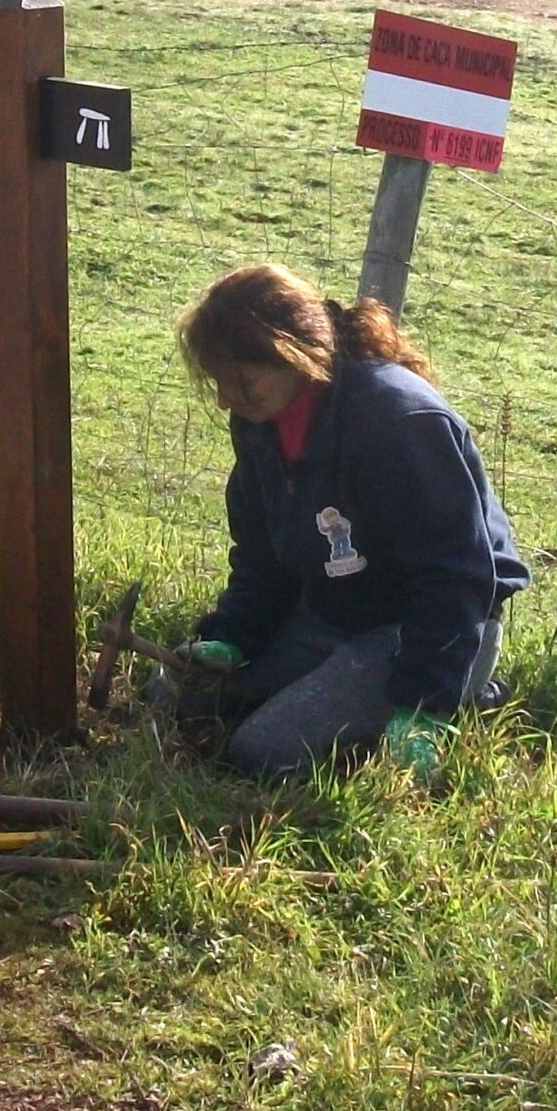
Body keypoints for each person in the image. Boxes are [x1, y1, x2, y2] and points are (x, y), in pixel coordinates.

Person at [164, 263, 529, 780]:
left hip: (421, 624)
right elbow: (263, 554)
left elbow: (456, 577)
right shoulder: (260, 422)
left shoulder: (399, 423)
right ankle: (360, 693)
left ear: (293, 354)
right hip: (336, 609)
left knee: (265, 752)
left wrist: (424, 704)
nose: (227, 399)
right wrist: (233, 635)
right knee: (183, 700)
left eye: (241, 381)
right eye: (220, 384)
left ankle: (462, 694)